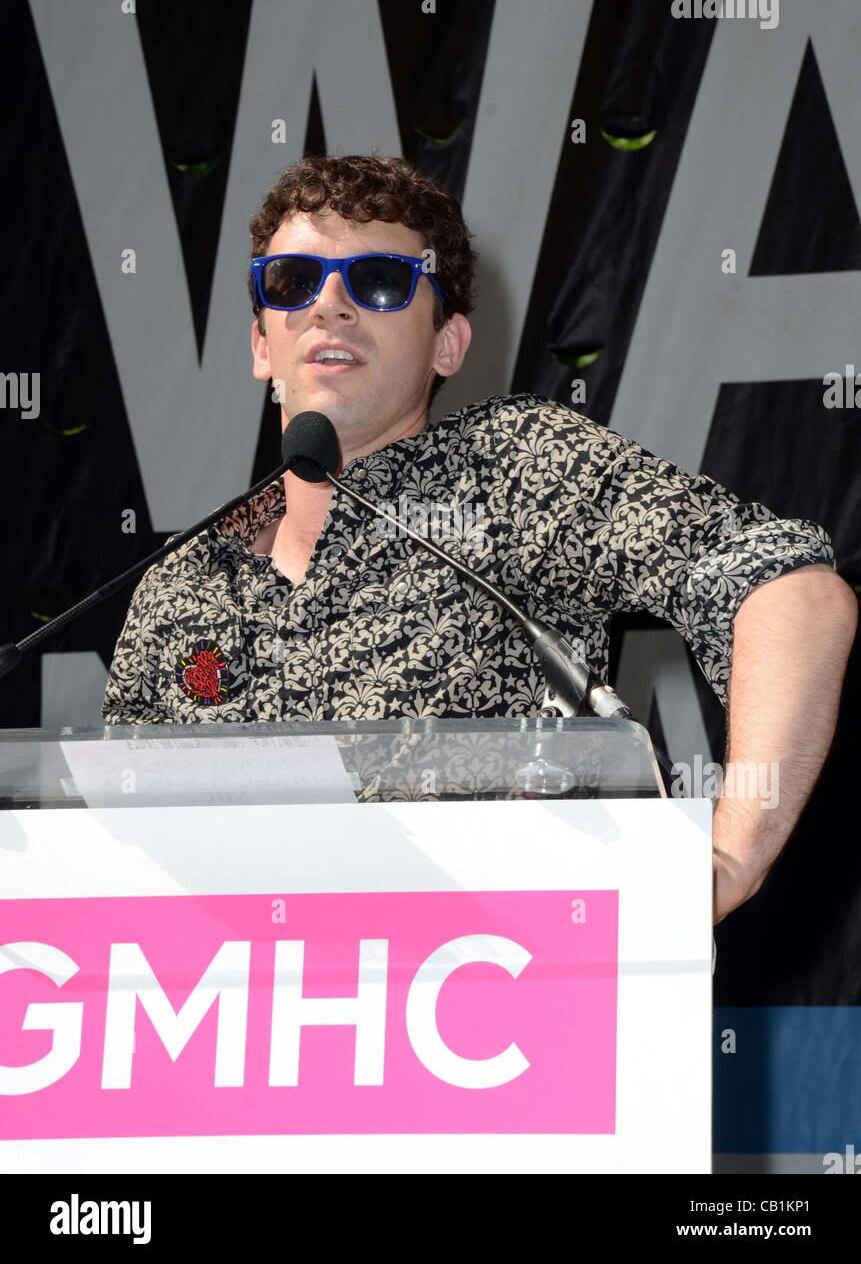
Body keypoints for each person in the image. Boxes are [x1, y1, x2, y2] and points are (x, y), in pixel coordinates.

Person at [102, 153, 857, 922]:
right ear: (261, 343)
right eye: (294, 282)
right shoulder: (184, 584)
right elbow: (112, 858)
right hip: (240, 1018)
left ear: (447, 345)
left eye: (380, 281)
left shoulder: (512, 468)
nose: (329, 305)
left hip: (495, 1004)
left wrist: (727, 859)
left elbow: (789, 590)